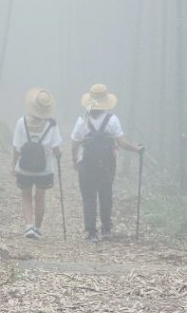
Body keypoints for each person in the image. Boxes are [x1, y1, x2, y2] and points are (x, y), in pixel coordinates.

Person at [71, 83, 143, 241]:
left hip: (86, 164)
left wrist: (74, 160)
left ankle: (90, 232)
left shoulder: (82, 120)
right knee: (105, 195)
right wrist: (136, 149)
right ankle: (106, 229)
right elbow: (121, 142)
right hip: (107, 164)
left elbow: (75, 143)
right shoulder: (112, 120)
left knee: (89, 197)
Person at [12, 88, 62, 239]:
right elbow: (56, 149)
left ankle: (29, 227)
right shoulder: (52, 125)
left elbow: (16, 147)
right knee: (40, 198)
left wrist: (13, 166)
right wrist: (58, 155)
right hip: (44, 169)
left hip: (24, 167)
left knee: (25, 196)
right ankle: (38, 229)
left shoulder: (21, 122)